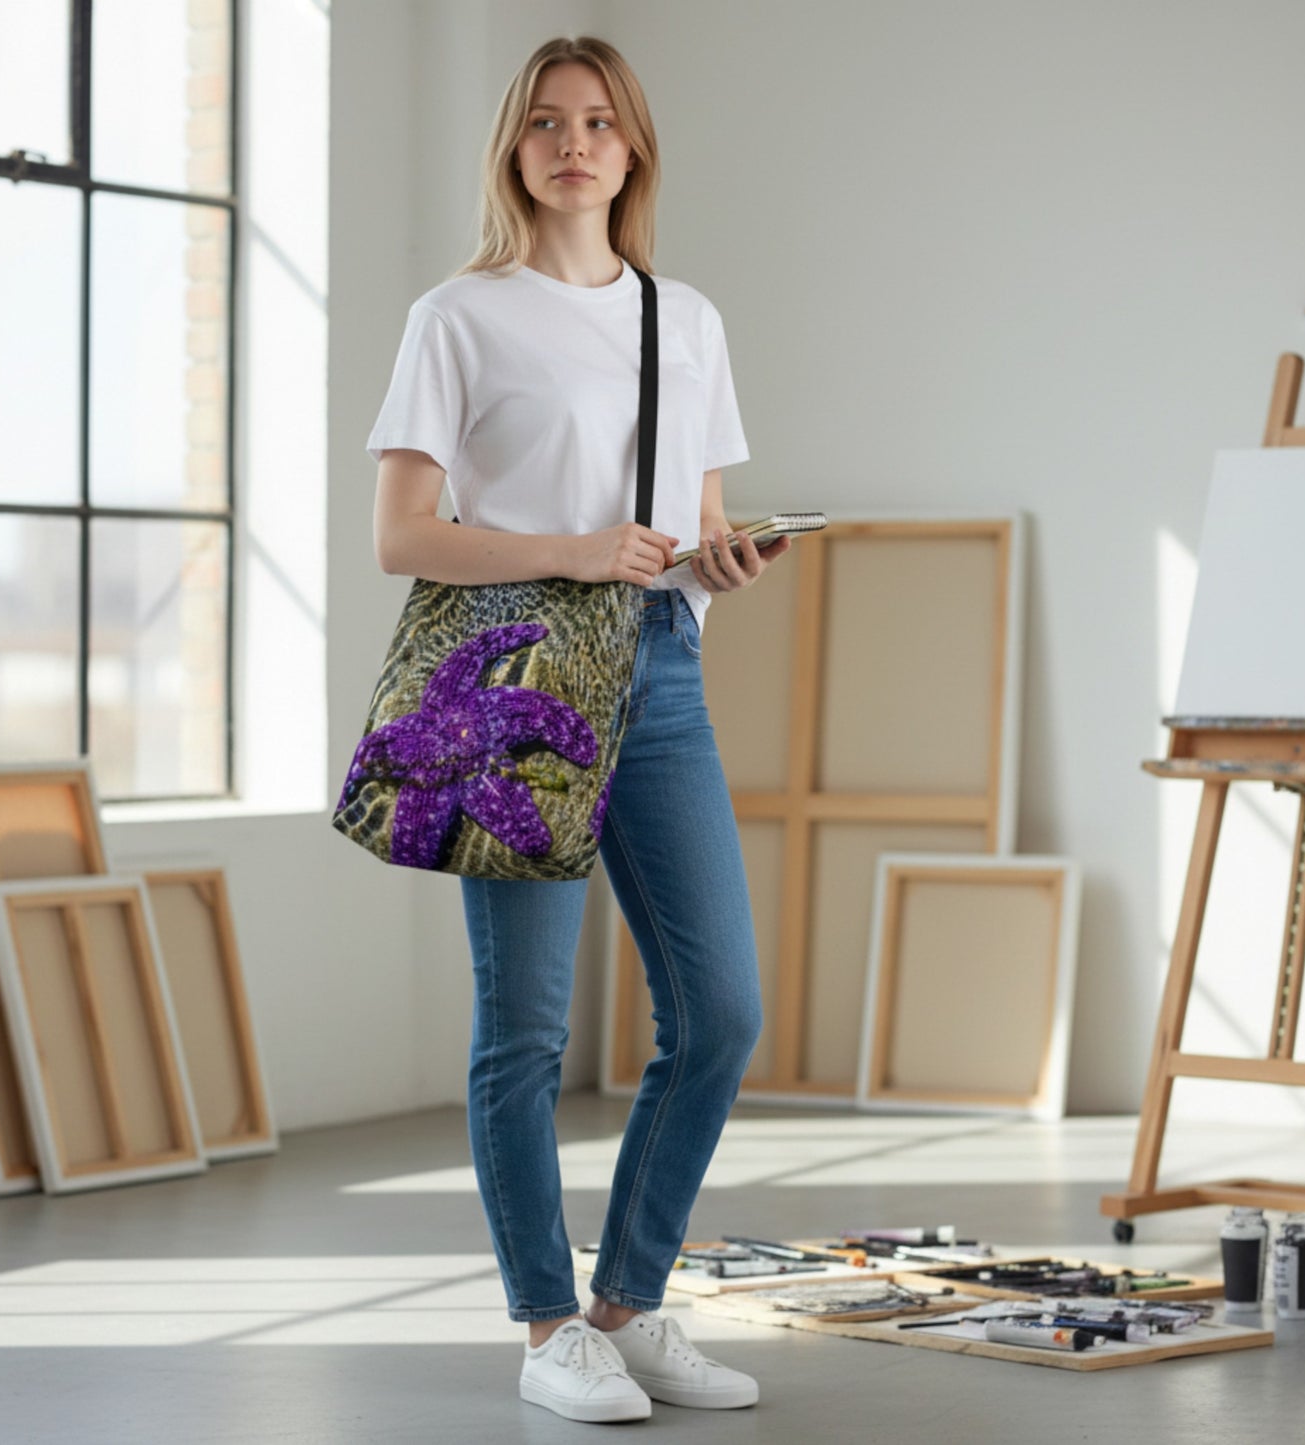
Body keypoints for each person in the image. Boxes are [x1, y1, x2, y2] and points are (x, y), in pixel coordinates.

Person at [365, 35, 792, 1425]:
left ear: (632, 149)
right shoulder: (458, 315)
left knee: (719, 1008)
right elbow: (402, 534)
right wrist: (576, 547)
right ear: (515, 148)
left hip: (661, 667)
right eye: (547, 121)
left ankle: (626, 1305)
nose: (574, 143)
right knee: (526, 1029)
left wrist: (720, 558)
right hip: (510, 670)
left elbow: (699, 521)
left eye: (600, 122)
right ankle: (548, 1323)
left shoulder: (689, 318)